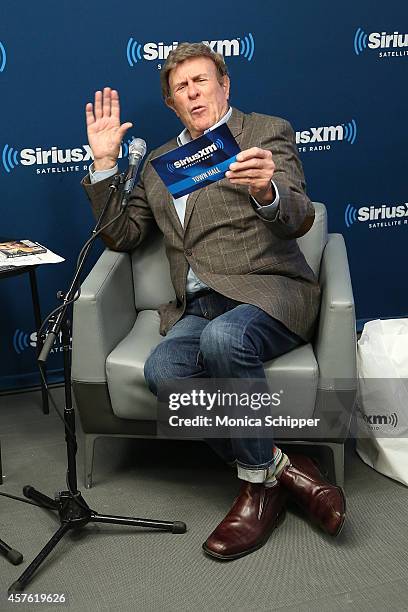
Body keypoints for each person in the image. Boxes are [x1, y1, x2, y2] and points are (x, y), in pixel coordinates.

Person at [82, 42, 346, 560]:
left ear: (225, 87)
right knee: (164, 371)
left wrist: (267, 192)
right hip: (197, 306)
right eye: (181, 87)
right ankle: (285, 469)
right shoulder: (160, 163)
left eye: (201, 81)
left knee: (226, 339)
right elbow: (123, 233)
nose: (192, 91)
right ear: (172, 104)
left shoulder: (265, 132)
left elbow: (298, 217)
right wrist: (104, 163)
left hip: (269, 290)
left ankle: (256, 488)